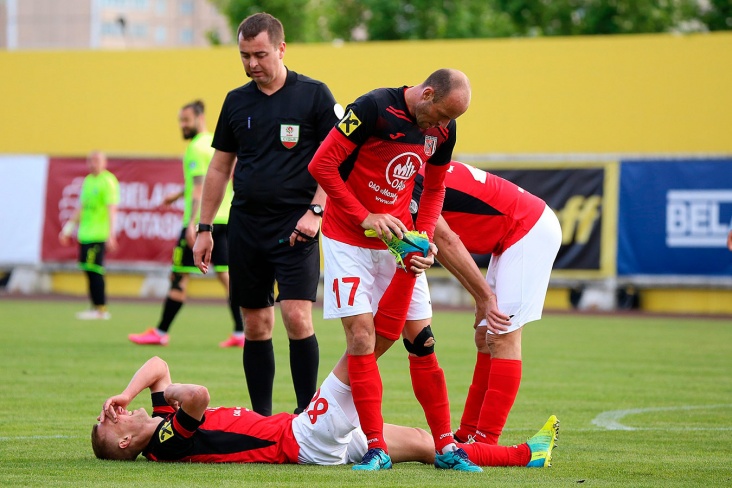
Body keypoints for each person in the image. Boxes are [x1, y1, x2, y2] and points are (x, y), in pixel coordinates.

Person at [308, 68, 477, 471]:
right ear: (427, 93)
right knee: (362, 338)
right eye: (439, 116)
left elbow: (435, 188)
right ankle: (376, 448)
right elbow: (321, 166)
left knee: (423, 341)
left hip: (397, 241)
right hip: (346, 240)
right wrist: (365, 215)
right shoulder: (371, 108)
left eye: (449, 122)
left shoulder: (444, 130)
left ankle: (447, 447)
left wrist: (423, 237)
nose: (442, 127)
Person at [193, 13, 338, 416]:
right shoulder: (236, 101)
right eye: (244, 56)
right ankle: (261, 419)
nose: (252, 64)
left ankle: (306, 415)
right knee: (256, 324)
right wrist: (205, 228)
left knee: (295, 315)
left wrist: (316, 211)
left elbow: (336, 161)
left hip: (297, 225)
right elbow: (220, 167)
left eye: (260, 54)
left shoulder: (314, 95)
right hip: (246, 226)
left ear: (281, 48)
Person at [91, 356, 559, 469]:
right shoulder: (165, 442)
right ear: (127, 443)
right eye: (110, 424)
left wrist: (127, 394)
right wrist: (169, 392)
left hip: (308, 438)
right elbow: (196, 395)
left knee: (425, 442)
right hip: (302, 437)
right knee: (364, 343)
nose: (112, 415)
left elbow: (156, 365)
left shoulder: (152, 420)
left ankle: (526, 456)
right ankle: (404, 272)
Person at [409, 160, 561, 446]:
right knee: (484, 337)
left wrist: (484, 297)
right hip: (510, 233)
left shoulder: (405, 179)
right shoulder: (407, 165)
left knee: (502, 336)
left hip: (528, 228)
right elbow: (444, 248)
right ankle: (468, 433)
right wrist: (480, 296)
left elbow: (448, 242)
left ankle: (486, 442)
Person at [128, 100, 243, 348]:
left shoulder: (195, 148)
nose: (182, 125)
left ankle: (160, 331)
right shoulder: (214, 142)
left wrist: (193, 223)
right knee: (226, 277)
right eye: (180, 120)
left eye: (186, 120)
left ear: (199, 118)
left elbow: (200, 188)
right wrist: (178, 194)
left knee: (179, 275)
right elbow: (209, 182)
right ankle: (241, 332)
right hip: (224, 217)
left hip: (204, 221)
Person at [59, 151, 119, 320]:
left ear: (105, 162)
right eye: (91, 161)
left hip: (99, 234)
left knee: (95, 270)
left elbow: (112, 209)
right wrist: (68, 229)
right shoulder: (88, 181)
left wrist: (111, 234)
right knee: (88, 269)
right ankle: (94, 306)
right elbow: (81, 207)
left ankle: (101, 308)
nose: (94, 164)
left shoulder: (108, 181)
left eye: (97, 160)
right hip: (85, 234)